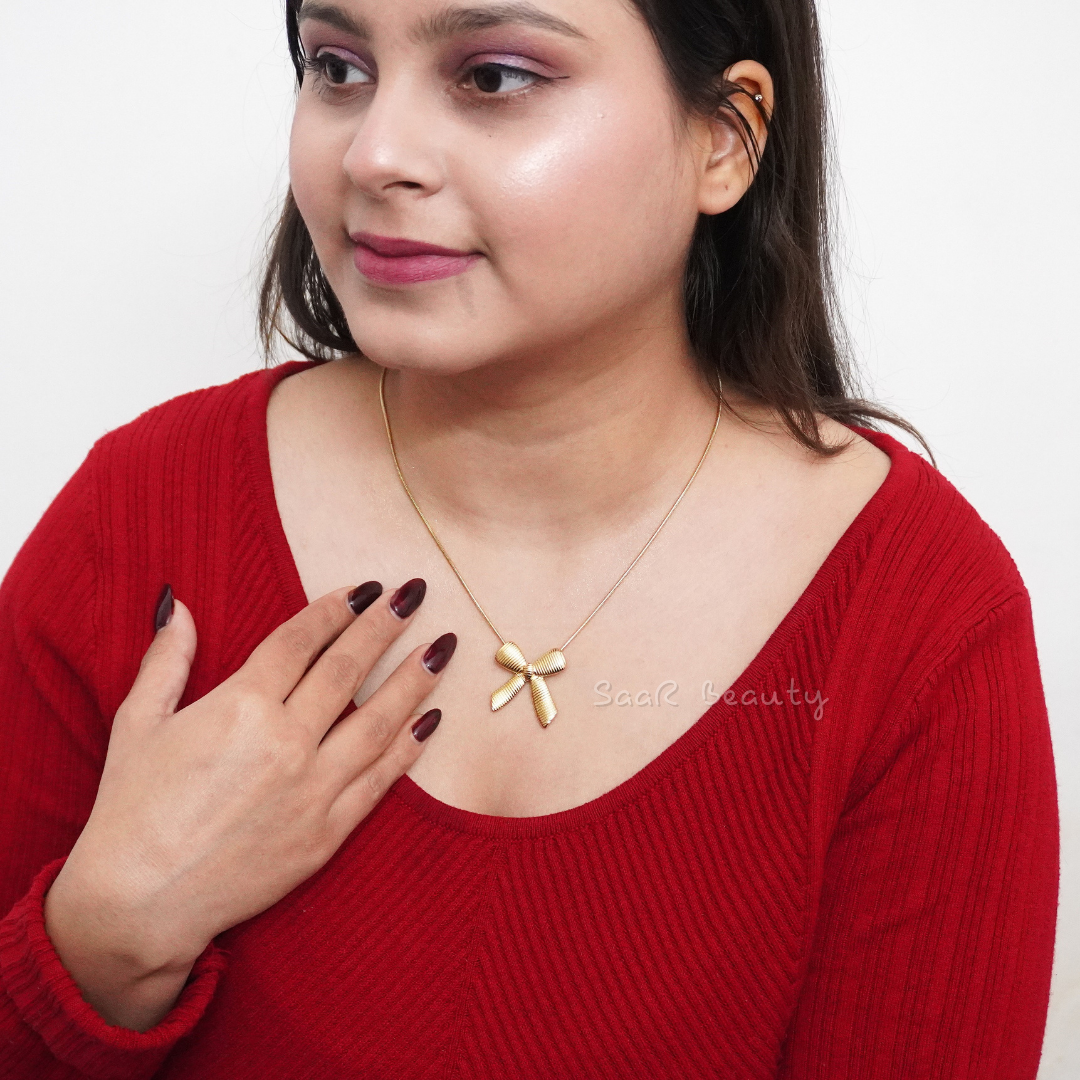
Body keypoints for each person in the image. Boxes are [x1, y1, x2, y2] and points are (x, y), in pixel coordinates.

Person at [0, 0, 1059, 1076]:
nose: (375, 154)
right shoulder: (136, 518)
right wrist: (103, 943)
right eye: (337, 65)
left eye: (495, 77)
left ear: (727, 138)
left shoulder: (918, 618)